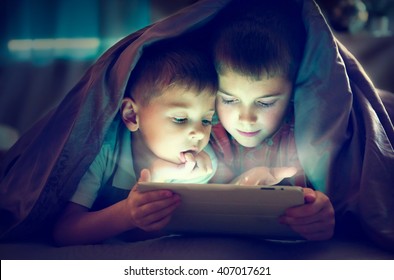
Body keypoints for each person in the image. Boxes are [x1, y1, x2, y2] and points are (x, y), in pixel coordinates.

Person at [52, 37, 218, 246]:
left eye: (206, 120)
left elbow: (166, 233)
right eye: (180, 119)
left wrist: (161, 179)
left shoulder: (202, 163)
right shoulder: (103, 149)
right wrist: (127, 214)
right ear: (131, 115)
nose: (199, 134)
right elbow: (64, 232)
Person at [209, 0, 335, 241]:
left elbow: (335, 194)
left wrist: (320, 211)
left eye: (265, 103)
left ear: (292, 93)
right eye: (229, 100)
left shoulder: (305, 133)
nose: (246, 119)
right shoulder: (209, 130)